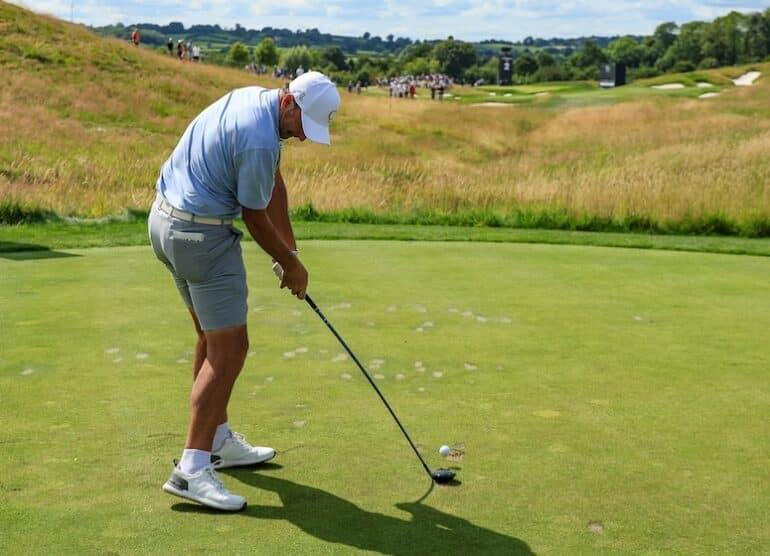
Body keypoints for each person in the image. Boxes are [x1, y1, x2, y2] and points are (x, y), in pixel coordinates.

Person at [149, 71, 341, 512]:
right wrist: (291, 266)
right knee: (230, 349)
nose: (304, 138)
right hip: (200, 238)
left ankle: (215, 438)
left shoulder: (255, 101)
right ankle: (192, 469)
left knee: (211, 339)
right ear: (290, 103)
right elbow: (255, 218)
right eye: (302, 127)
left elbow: (273, 186)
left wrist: (290, 252)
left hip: (165, 223)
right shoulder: (259, 137)